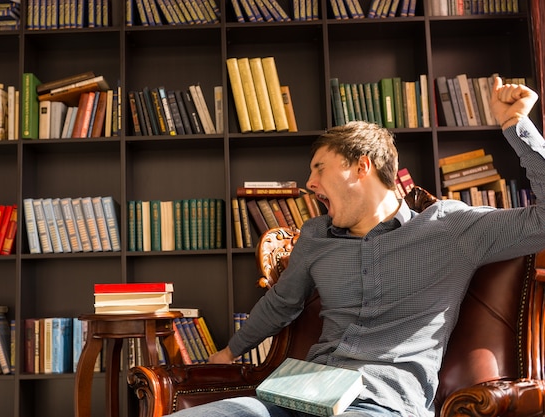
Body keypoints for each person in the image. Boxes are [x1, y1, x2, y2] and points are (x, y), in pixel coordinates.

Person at [166, 77, 545, 417]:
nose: (309, 182)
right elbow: (282, 303)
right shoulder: (315, 236)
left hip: (381, 403)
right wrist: (228, 353)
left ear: (361, 167)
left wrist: (517, 127)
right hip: (293, 397)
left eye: (319, 168)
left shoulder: (451, 228)